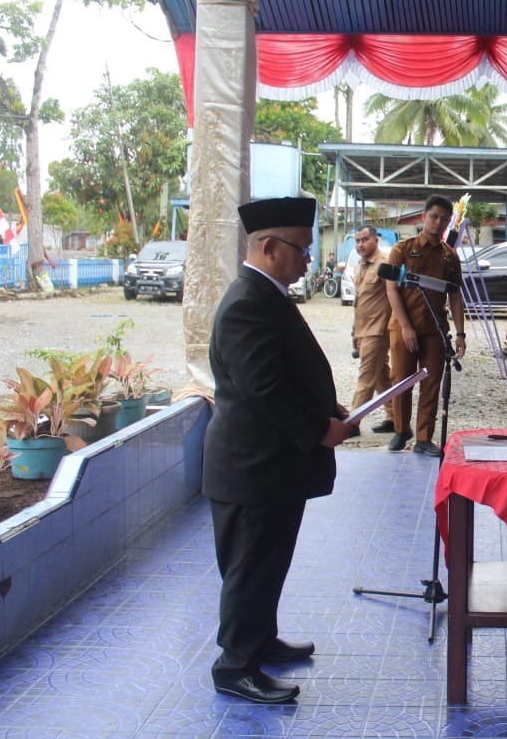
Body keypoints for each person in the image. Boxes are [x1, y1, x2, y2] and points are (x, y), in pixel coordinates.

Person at [202, 196, 352, 704]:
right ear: (269, 247)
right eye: (302, 250)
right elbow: (263, 390)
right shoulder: (247, 302)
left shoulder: (265, 295)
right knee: (250, 568)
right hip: (251, 468)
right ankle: (236, 665)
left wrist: (328, 407)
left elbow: (284, 374)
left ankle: (260, 640)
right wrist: (318, 429)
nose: (309, 260)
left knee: (267, 563)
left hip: (272, 465)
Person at [384, 195, 466, 456]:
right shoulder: (402, 249)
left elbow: (455, 296)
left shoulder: (450, 256)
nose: (437, 222)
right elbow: (391, 288)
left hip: (435, 330)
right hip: (403, 327)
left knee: (431, 384)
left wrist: (461, 334)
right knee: (401, 382)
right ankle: (401, 430)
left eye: (443, 218)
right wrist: (406, 326)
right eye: (433, 216)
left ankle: (423, 438)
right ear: (423, 217)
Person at [348, 225, 394, 437]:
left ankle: (351, 422)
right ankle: (395, 417)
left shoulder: (384, 264)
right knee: (380, 375)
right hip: (364, 330)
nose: (360, 244)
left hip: (378, 330)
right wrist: (355, 333)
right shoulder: (359, 266)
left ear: (376, 240)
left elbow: (395, 297)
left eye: (365, 239)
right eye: (357, 241)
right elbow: (360, 303)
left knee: (366, 376)